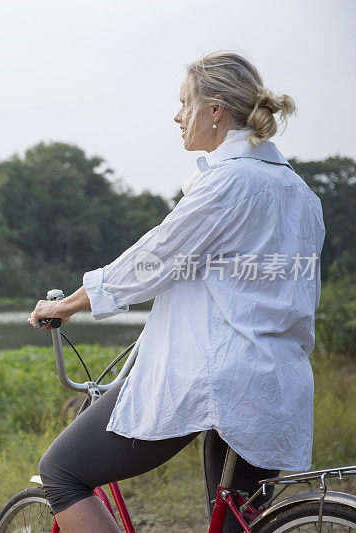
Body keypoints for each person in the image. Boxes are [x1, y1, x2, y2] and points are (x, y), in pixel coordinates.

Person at [28, 50, 325, 533]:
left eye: (184, 102)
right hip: (272, 387)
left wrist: (66, 304)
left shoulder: (230, 183)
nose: (176, 114)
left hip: (213, 379)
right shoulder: (300, 194)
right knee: (239, 523)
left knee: (61, 472)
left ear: (215, 111)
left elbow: (153, 259)